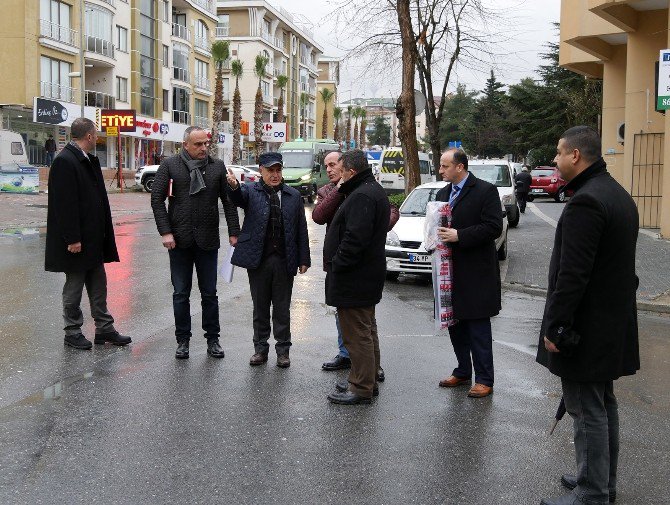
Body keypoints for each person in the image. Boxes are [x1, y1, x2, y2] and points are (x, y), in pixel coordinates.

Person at [538, 126, 639, 505]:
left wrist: (557, 325)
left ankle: (593, 492)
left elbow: (573, 273)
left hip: (584, 327)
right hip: (610, 324)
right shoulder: (616, 194)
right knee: (602, 403)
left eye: (558, 153)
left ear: (576, 155)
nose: (555, 160)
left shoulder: (586, 202)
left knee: (585, 408)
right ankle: (598, 480)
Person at [151, 126, 240, 360]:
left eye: (206, 143)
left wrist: (234, 232)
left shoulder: (217, 167)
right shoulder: (170, 165)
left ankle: (213, 339)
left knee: (209, 293)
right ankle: (183, 340)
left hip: (208, 240)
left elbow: (228, 202)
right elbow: (157, 200)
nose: (203, 148)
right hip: (179, 241)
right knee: (181, 293)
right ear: (185, 145)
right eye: (198, 144)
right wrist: (166, 232)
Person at [45, 118, 131, 349]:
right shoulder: (66, 161)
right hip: (77, 242)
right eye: (96, 134)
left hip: (92, 240)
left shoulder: (84, 159)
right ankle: (72, 332)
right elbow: (64, 205)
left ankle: (104, 329)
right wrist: (72, 238)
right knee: (74, 288)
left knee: (98, 285)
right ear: (90, 136)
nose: (97, 137)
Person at [313, 150, 399, 378]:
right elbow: (319, 216)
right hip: (362, 274)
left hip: (355, 276)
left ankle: (361, 385)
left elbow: (355, 238)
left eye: (339, 170)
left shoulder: (362, 195)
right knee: (365, 329)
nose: (335, 174)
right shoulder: (366, 190)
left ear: (350, 171)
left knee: (359, 333)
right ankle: (366, 381)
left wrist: (338, 263)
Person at [226, 152, 310, 368]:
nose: (275, 174)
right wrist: (234, 186)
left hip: (284, 260)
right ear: (261, 171)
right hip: (259, 260)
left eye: (278, 170)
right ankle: (260, 350)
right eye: (270, 170)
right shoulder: (250, 192)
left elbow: (301, 229)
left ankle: (283, 351)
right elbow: (237, 199)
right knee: (260, 307)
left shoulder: (293, 196)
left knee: (282, 309)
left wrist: (304, 258)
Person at [435, 148, 503, 398]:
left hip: (476, 272)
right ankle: (463, 371)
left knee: (477, 327)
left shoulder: (485, 190)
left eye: (444, 166)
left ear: (460, 167)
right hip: (448, 271)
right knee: (455, 324)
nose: (440, 170)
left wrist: (460, 235)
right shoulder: (443, 192)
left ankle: (484, 378)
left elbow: (493, 227)